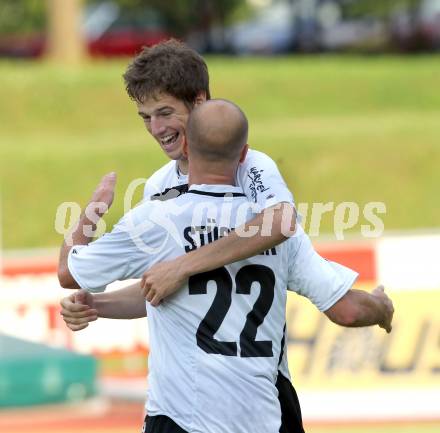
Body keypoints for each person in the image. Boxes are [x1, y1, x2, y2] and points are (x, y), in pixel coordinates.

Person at [58, 100, 394, 433]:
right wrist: (381, 307)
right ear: (244, 153)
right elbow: (347, 310)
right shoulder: (272, 228)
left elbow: (70, 272)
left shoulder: (158, 217)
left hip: (181, 420)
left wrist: (92, 212)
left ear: (187, 144)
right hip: (262, 417)